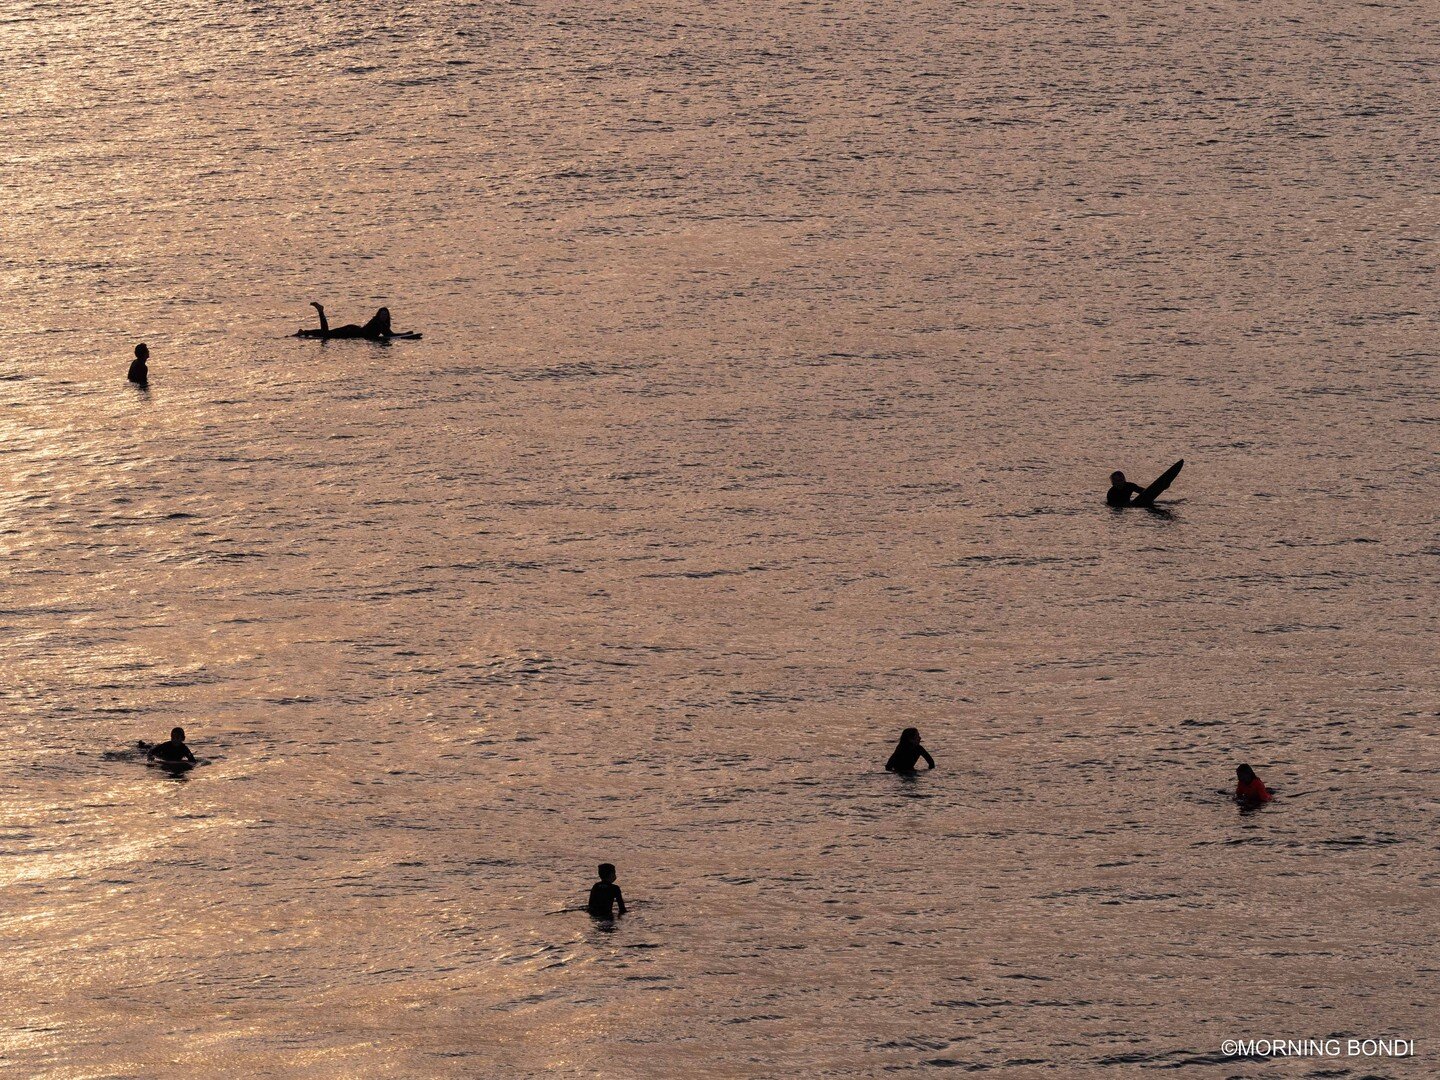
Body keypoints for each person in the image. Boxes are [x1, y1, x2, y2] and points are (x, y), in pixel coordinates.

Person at [296, 302, 393, 341]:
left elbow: (390, 334)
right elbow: (391, 335)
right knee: (326, 335)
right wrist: (407, 335)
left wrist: (407, 334)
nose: (384, 316)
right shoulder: (377, 322)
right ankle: (321, 311)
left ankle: (305, 332)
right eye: (382, 314)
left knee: (328, 333)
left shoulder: (382, 324)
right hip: (350, 332)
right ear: (379, 315)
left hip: (352, 331)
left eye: (385, 315)